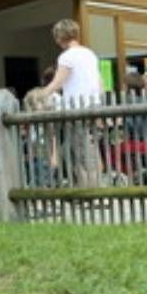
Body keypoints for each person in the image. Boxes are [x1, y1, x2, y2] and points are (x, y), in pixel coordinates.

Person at [32, 20, 103, 186]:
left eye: (56, 37)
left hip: (76, 109)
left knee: (79, 152)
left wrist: (40, 95)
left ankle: (89, 192)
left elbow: (57, 82)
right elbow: (99, 81)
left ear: (60, 37)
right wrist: (99, 102)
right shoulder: (89, 53)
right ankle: (93, 188)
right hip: (94, 106)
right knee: (91, 150)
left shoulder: (66, 56)